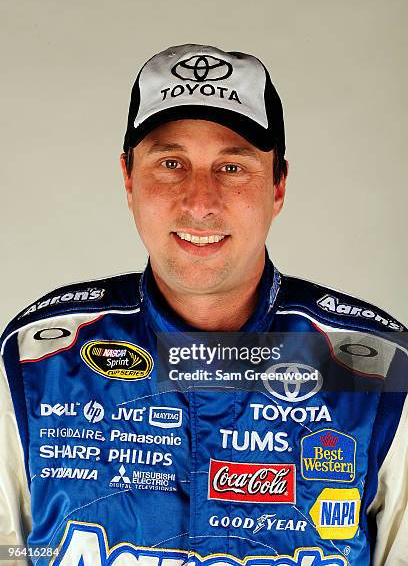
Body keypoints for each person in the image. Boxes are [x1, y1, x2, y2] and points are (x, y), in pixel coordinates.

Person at [0, 43, 407, 566]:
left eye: (232, 168)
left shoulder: (379, 371)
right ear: (129, 178)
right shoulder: (35, 363)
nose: (200, 202)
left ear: (278, 185)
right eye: (171, 163)